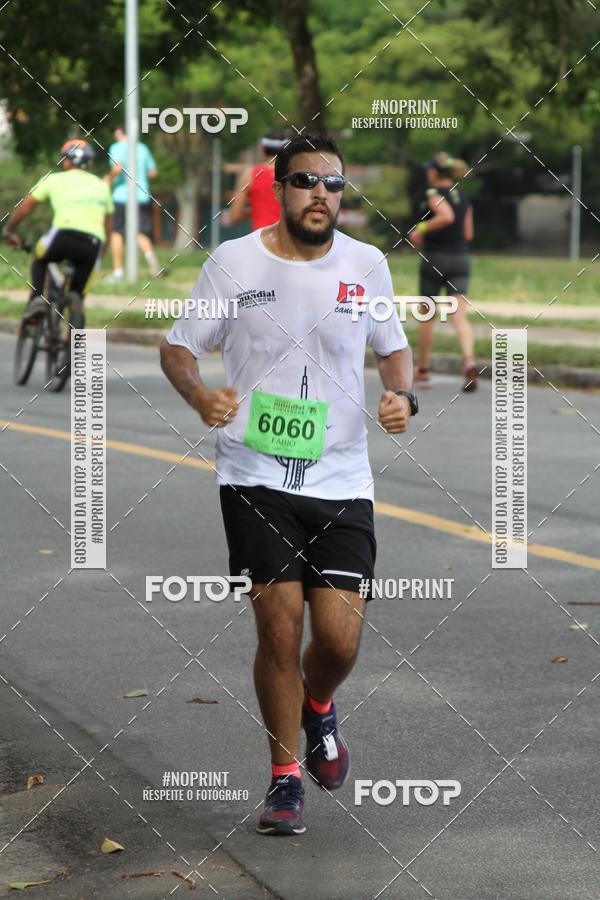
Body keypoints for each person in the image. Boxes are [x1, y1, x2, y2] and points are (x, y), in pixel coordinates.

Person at [160, 133, 418, 836]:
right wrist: (198, 397)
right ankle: (283, 781)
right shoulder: (234, 262)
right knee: (280, 625)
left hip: (342, 479)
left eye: (334, 185)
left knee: (337, 642)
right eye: (306, 181)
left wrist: (403, 397)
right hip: (254, 474)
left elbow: (393, 346)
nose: (322, 195)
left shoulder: (365, 265)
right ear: (280, 187)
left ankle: (318, 707)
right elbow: (179, 344)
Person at [3, 139, 113, 322]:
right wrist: (104, 250)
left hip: (62, 235)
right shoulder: (101, 185)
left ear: (67, 162)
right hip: (93, 243)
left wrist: (9, 229)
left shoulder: (54, 179)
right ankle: (77, 343)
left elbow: (26, 207)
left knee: (39, 257)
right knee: (78, 296)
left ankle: (37, 300)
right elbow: (109, 226)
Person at [409, 152, 477, 392]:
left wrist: (421, 229)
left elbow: (445, 216)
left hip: (435, 257)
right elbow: (468, 234)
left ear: (436, 173)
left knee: (427, 314)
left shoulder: (433, 194)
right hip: (461, 258)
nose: (427, 173)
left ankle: (424, 370)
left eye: (429, 169)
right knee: (459, 316)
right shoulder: (463, 196)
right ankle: (469, 360)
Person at [105, 126, 160, 280]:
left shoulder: (116, 147)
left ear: (119, 132)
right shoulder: (142, 148)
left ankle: (118, 272)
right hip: (142, 195)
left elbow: (117, 168)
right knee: (140, 232)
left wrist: (108, 179)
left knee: (117, 232)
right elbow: (153, 172)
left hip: (122, 196)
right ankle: (151, 260)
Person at [227, 131, 286, 231]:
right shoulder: (291, 173)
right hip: (286, 237)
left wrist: (256, 210)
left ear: (263, 149)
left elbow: (234, 215)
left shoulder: (249, 174)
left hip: (260, 238)